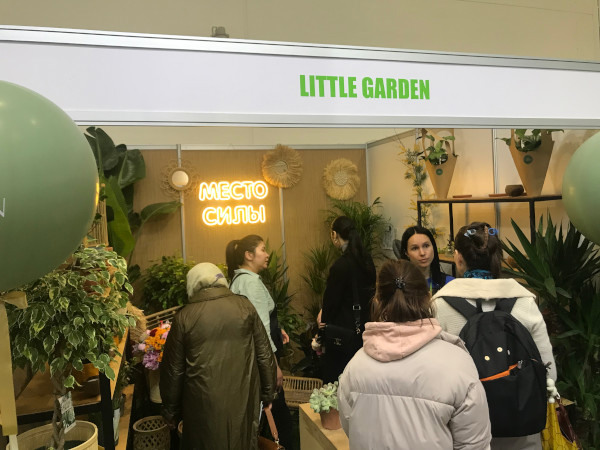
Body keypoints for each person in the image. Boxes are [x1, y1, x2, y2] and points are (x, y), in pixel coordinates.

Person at [338, 259, 492, 449]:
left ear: (377, 301)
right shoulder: (457, 364)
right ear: (428, 297)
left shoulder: (355, 367)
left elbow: (351, 428)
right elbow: (474, 444)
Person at [433, 221, 556, 450]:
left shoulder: (440, 307)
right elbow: (548, 372)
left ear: (458, 258)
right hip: (523, 430)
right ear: (498, 258)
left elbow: (436, 380)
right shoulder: (525, 302)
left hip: (465, 432)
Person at [160, 262, 277, 450]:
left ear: (193, 284)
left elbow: (173, 371)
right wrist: (268, 394)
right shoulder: (245, 307)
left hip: (201, 405)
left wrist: (170, 411)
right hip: (243, 399)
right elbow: (264, 354)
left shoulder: (184, 317)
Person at [226, 235, 293, 449]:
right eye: (262, 250)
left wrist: (277, 329)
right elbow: (260, 328)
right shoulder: (251, 283)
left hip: (251, 358)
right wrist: (273, 366)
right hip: (262, 361)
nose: (267, 254)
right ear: (249, 255)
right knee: (278, 417)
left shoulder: (239, 280)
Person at [317, 216, 376, 383]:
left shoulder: (341, 265)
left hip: (343, 335)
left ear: (335, 235)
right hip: (366, 330)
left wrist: (322, 323)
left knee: (339, 381)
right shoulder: (367, 260)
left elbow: (331, 303)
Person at [397, 225, 454, 294]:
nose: (422, 253)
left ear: (433, 247)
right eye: (415, 248)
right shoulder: (398, 286)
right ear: (406, 253)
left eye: (426, 246)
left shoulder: (449, 283)